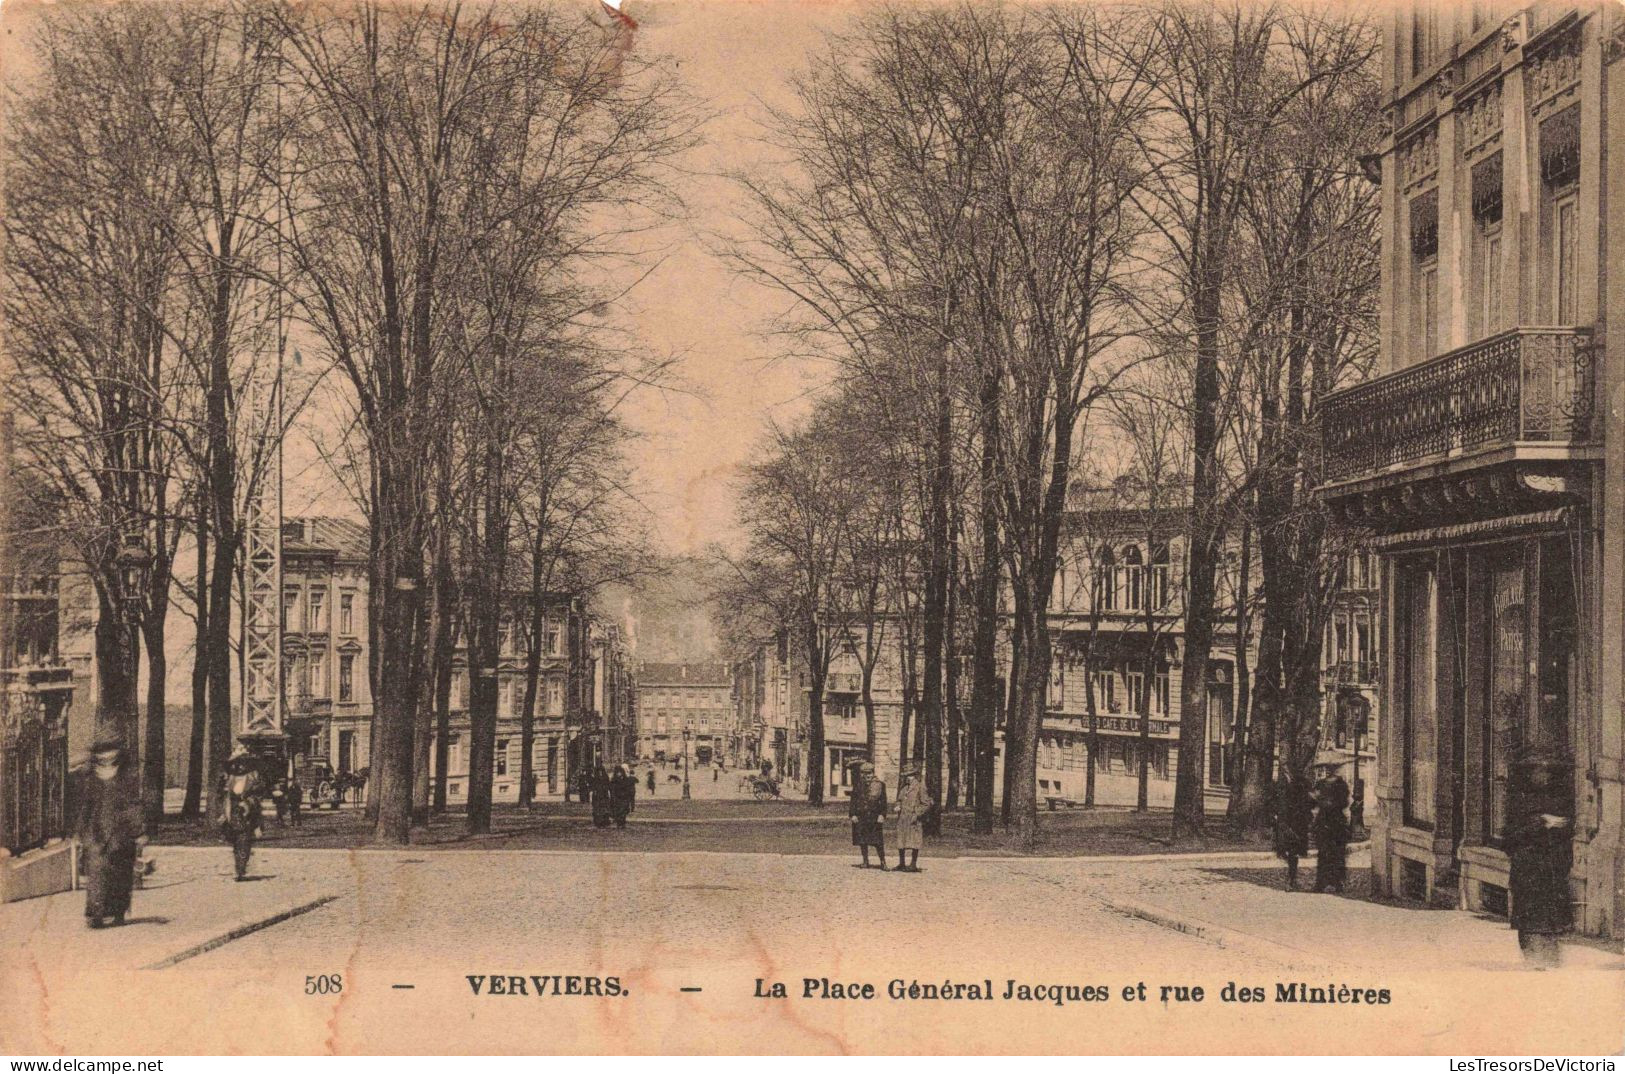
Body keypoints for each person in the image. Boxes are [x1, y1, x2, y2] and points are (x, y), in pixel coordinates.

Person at [1505, 753, 1573, 969]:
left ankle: (1550, 956)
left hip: (1551, 867)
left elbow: (1569, 830)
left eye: (1546, 772)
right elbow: (1510, 838)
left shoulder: (1559, 800)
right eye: (1538, 772)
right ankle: (1532, 957)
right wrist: (1541, 823)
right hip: (1527, 867)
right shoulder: (1518, 802)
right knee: (1529, 913)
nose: (1542, 777)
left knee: (1551, 913)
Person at [73, 737, 144, 929]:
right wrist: (79, 832)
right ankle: (95, 913)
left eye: (111, 751)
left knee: (121, 873)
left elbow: (133, 805)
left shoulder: (127, 776)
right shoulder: (87, 776)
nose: (107, 756)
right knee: (96, 870)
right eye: (103, 752)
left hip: (121, 831)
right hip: (95, 831)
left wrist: (138, 830)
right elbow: (81, 806)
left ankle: (117, 911)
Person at [218, 748, 266, 881]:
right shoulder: (229, 779)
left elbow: (258, 796)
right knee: (235, 843)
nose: (239, 766)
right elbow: (222, 797)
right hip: (232, 814)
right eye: (236, 764)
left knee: (244, 842)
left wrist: (248, 803)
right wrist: (223, 812)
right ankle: (239, 867)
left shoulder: (253, 778)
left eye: (242, 764)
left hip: (247, 815)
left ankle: (240, 869)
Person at [1310, 753, 1352, 894]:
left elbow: (1344, 803)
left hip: (1336, 822)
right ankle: (1321, 882)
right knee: (1323, 853)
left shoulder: (1341, 785)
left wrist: (1328, 802)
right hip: (1323, 822)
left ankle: (1337, 883)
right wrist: (1314, 798)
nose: (1330, 770)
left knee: (1337, 854)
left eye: (1333, 767)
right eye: (1328, 768)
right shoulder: (1321, 784)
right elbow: (1313, 802)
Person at [1269, 773, 1314, 890]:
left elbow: (1308, 805)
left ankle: (1291, 879)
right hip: (1289, 824)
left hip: (1292, 824)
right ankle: (1291, 878)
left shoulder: (1298, 785)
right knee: (1289, 852)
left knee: (1291, 852)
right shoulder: (1283, 786)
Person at [892, 761, 930, 872]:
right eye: (906, 776)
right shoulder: (904, 788)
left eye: (911, 775)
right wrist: (898, 805)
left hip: (913, 818)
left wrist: (917, 814)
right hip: (903, 818)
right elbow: (898, 800)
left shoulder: (920, 787)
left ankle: (913, 864)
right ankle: (902, 863)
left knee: (915, 840)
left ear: (915, 776)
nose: (908, 778)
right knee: (901, 840)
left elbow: (926, 803)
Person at [848, 761, 887, 869]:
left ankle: (883, 862)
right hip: (861, 816)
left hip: (874, 817)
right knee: (863, 840)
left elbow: (883, 801)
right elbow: (853, 801)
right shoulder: (858, 785)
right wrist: (853, 814)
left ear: (873, 773)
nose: (867, 776)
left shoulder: (880, 785)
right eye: (865, 774)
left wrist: (882, 814)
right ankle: (865, 861)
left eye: (869, 773)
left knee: (878, 841)